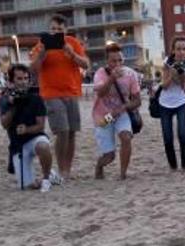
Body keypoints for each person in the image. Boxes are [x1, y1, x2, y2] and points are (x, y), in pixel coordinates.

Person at [30, 14, 90, 181]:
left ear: (66, 31)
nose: (56, 32)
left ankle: (66, 170)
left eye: (59, 30)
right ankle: (61, 167)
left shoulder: (72, 43)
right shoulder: (41, 45)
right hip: (51, 93)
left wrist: (72, 54)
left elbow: (86, 64)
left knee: (71, 133)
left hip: (71, 92)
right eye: (53, 29)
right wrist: (42, 55)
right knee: (62, 131)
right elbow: (33, 69)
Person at [0, 64, 53, 192]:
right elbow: (4, 125)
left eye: (25, 78)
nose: (23, 82)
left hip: (34, 138)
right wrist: (13, 105)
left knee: (43, 146)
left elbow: (41, 126)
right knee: (27, 187)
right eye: (19, 79)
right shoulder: (6, 99)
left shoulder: (35, 97)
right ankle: (51, 176)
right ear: (11, 81)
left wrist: (27, 130)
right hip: (17, 145)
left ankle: (46, 179)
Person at [92, 43, 141, 180]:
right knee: (109, 156)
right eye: (113, 61)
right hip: (103, 116)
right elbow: (101, 93)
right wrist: (112, 78)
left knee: (126, 138)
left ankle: (123, 174)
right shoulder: (100, 74)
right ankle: (99, 166)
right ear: (107, 61)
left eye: (120, 60)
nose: (118, 63)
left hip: (120, 114)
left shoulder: (131, 74)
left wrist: (124, 107)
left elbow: (137, 101)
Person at [158, 36, 185, 172]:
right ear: (173, 50)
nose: (181, 52)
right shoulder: (167, 62)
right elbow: (164, 86)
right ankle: (173, 166)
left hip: (182, 101)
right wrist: (171, 75)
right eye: (178, 49)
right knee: (167, 137)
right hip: (165, 102)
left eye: (184, 49)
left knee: (182, 134)